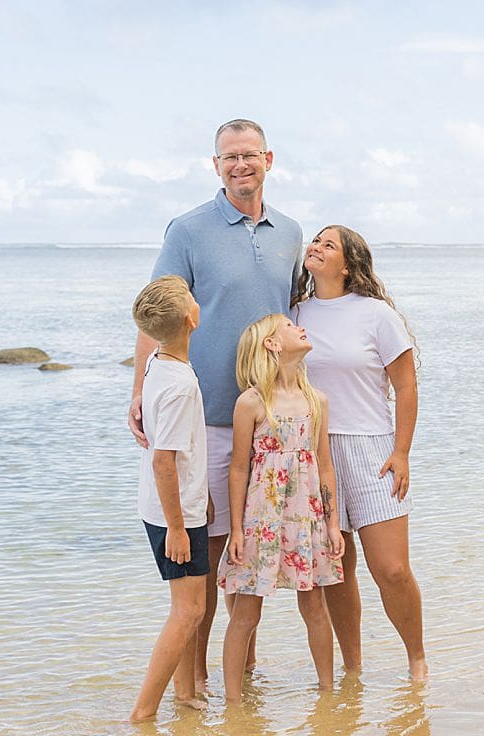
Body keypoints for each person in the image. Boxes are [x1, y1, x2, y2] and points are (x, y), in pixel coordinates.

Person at [128, 119, 304, 684]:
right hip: (204, 423)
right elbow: (157, 310)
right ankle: (194, 685)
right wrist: (138, 390)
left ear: (269, 159)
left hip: (268, 422)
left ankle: (239, 681)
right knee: (202, 561)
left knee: (245, 564)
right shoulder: (188, 229)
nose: (239, 165)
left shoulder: (291, 233)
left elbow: (295, 317)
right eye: (229, 157)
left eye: (249, 155)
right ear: (215, 165)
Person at [292, 225, 426, 681]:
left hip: (372, 449)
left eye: (328, 244)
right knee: (337, 569)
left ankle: (417, 660)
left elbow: (406, 386)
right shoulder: (294, 313)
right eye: (315, 241)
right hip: (312, 450)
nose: (315, 247)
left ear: (348, 265)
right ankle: (353, 669)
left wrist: (402, 451)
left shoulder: (376, 316)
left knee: (390, 568)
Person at [218, 313, 346, 699]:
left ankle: (328, 694)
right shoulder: (252, 402)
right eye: (289, 327)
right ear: (272, 344)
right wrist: (237, 530)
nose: (300, 327)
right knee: (246, 612)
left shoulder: (315, 400)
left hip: (307, 518)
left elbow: (325, 465)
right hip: (263, 519)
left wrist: (333, 523)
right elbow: (238, 468)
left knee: (314, 605)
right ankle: (233, 704)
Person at [129, 275, 209, 722]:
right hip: (174, 514)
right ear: (191, 319)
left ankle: (183, 695)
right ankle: (142, 713)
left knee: (185, 610)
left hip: (168, 506)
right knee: (188, 611)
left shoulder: (158, 364)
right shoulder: (179, 385)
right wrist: (178, 528)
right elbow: (164, 462)